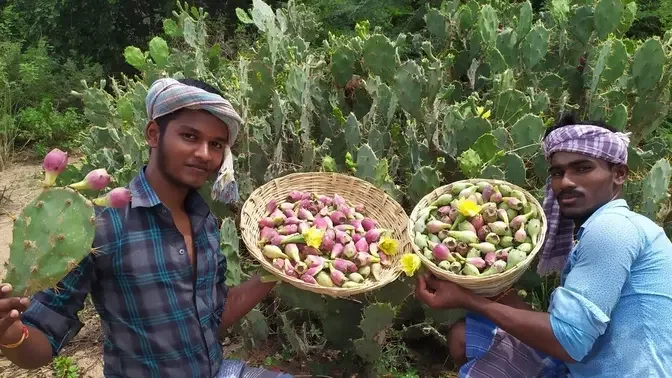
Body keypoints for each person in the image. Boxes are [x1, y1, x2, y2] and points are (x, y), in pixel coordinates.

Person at [0, 78, 293, 378]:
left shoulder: (203, 218)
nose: (205, 153)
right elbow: (40, 339)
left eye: (216, 144)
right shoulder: (99, 224)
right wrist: (9, 333)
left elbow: (213, 316)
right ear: (154, 134)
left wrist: (275, 269)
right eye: (190, 136)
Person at [414, 114, 672, 377]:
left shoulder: (613, 229)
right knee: (465, 334)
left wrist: (469, 300)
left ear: (618, 174)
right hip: (584, 362)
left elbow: (568, 341)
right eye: (558, 172)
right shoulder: (605, 227)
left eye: (582, 168)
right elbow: (565, 328)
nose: (566, 182)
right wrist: (483, 287)